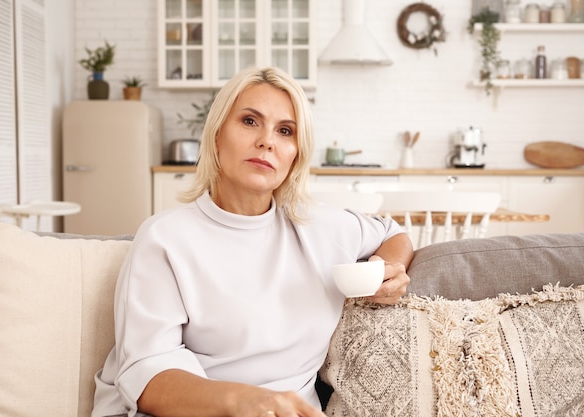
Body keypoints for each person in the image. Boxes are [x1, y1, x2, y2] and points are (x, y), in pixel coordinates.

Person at [91, 66, 414, 417]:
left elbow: (392, 232)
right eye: (249, 121)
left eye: (285, 131)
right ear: (216, 135)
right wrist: (245, 401)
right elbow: (146, 374)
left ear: (295, 156)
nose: (267, 141)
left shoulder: (320, 227)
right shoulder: (166, 238)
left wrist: (387, 268)